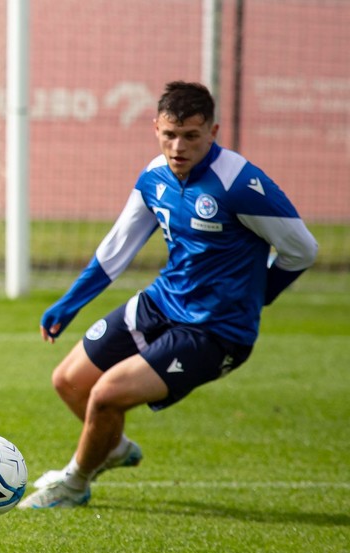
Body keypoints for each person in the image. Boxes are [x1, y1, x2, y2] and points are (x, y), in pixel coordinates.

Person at [18, 81, 317, 509]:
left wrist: (260, 295)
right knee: (68, 381)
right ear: (155, 127)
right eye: (169, 135)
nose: (178, 146)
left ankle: (74, 484)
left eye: (191, 136)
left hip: (214, 331)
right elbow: (117, 247)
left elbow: (301, 248)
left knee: (105, 396)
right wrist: (70, 303)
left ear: (213, 131)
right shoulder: (155, 176)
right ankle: (114, 449)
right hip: (162, 303)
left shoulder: (238, 184)